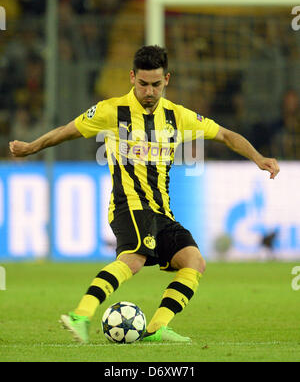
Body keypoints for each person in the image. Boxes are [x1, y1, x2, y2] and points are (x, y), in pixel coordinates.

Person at [9, 45, 280, 343]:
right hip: (129, 205)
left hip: (161, 212)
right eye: (143, 84)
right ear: (131, 78)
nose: (149, 91)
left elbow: (227, 135)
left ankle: (155, 329)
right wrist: (32, 147)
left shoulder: (178, 116)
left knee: (194, 261)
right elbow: (67, 130)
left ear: (167, 80)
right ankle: (81, 314)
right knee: (134, 259)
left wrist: (258, 157)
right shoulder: (110, 111)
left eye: (155, 84)